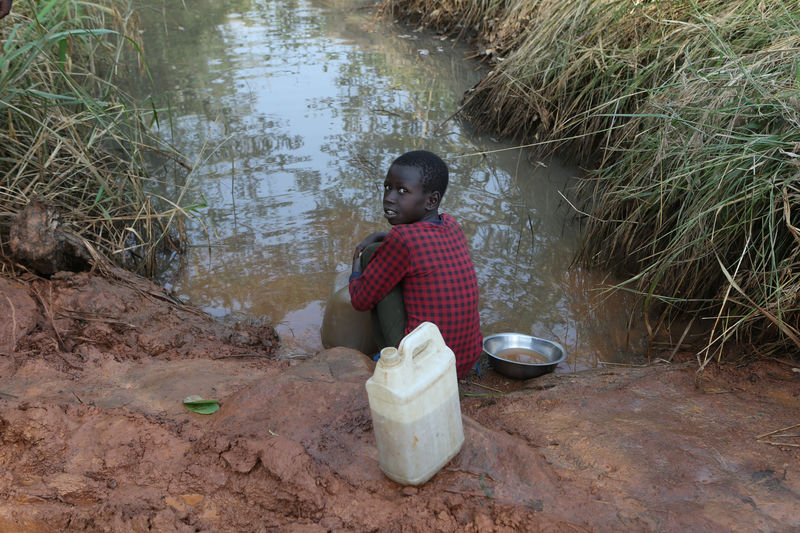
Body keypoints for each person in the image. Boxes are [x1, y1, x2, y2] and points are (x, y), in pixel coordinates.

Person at [349, 150, 482, 377]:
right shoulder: (451, 224)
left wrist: (357, 263)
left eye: (402, 191)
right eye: (387, 187)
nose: (389, 197)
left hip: (424, 370)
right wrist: (386, 238)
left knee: (372, 255)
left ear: (431, 200)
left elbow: (360, 300)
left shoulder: (402, 239)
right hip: (464, 361)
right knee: (386, 260)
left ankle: (389, 357)